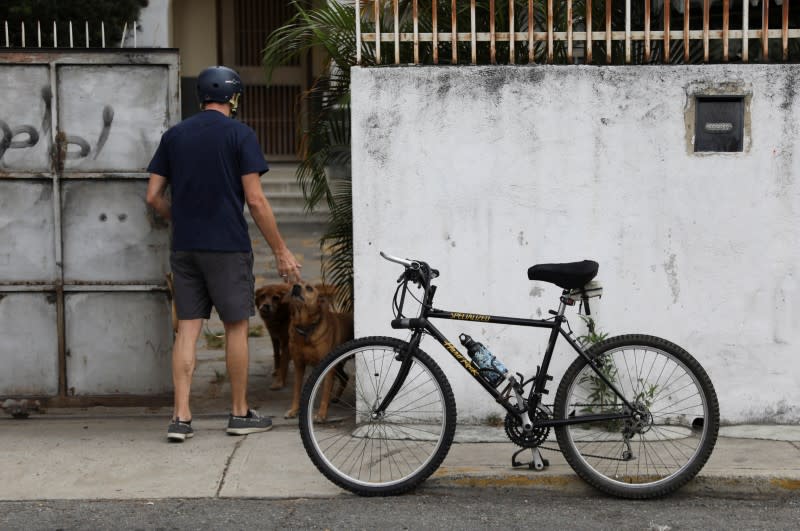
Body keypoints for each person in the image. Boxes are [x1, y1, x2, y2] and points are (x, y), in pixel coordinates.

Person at [146, 65, 302, 442]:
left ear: (201, 97)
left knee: (188, 328)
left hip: (186, 246)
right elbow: (256, 200)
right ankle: (238, 413)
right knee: (236, 327)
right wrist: (280, 250)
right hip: (228, 247)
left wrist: (178, 218)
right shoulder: (240, 135)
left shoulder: (174, 135)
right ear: (233, 97)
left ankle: (181, 418)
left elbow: (153, 196)